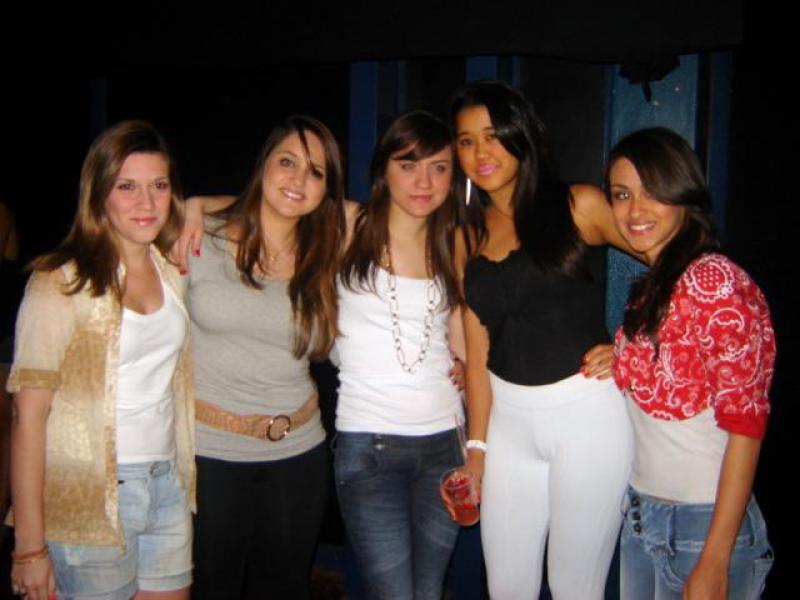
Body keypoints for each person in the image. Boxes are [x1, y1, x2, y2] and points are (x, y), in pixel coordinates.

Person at [450, 80, 634, 599]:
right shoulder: (467, 235)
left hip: (587, 419)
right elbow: (478, 355)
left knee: (575, 587)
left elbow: (668, 255)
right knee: (507, 588)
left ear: (521, 134)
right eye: (466, 141)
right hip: (508, 424)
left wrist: (638, 343)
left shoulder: (579, 204)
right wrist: (477, 450)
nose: (480, 152)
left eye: (492, 135)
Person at [8, 120, 195, 600]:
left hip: (167, 484)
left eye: (159, 186)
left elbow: (248, 212)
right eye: (126, 186)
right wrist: (28, 548)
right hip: (89, 497)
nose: (146, 202)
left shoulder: (173, 271)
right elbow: (28, 417)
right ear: (98, 194)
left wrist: (197, 206)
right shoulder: (59, 282)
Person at [608, 127, 775, 600]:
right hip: (643, 516)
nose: (635, 210)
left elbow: (746, 424)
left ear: (683, 193)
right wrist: (615, 353)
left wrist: (715, 558)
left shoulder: (715, 280)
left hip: (702, 524)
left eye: (652, 192)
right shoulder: (656, 286)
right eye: (622, 194)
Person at [184, 115, 344, 599]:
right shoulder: (200, 238)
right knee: (212, 589)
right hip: (210, 453)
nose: (298, 179)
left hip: (299, 454)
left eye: (316, 172)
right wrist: (195, 205)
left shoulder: (329, 251)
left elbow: (408, 211)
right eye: (287, 162)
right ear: (263, 165)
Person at [333, 110, 465, 600]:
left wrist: (469, 363)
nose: (423, 182)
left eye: (439, 167)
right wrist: (195, 207)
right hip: (369, 443)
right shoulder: (347, 224)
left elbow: (464, 338)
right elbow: (266, 212)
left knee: (428, 591)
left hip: (445, 444)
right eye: (408, 165)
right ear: (383, 170)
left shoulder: (455, 243)